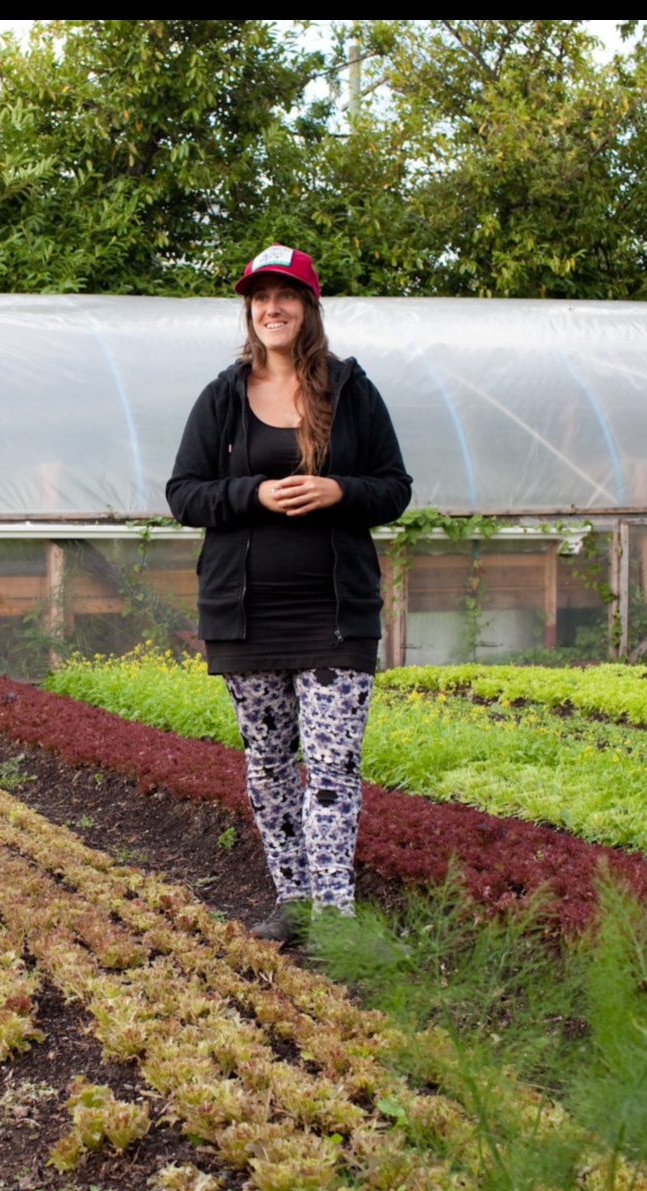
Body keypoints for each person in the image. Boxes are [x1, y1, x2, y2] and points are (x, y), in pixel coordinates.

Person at [165, 244, 412, 943]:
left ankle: (334, 916)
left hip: (336, 614)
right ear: (250, 310)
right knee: (270, 767)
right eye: (260, 296)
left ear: (308, 307)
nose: (272, 307)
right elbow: (183, 494)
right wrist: (255, 492)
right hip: (246, 616)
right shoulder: (223, 396)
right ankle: (293, 899)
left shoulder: (350, 391)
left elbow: (395, 487)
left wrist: (340, 489)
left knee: (333, 766)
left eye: (287, 295)